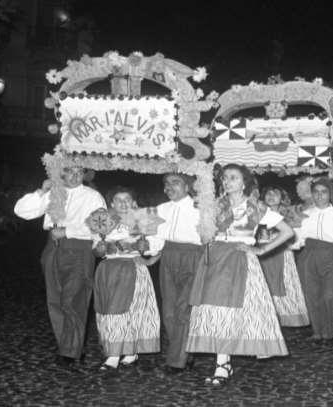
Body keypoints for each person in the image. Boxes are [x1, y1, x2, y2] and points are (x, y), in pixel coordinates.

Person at [186, 164, 292, 386]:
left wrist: (260, 250)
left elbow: (287, 232)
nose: (227, 181)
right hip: (214, 259)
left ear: (244, 182)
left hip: (239, 259)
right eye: (224, 178)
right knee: (214, 311)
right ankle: (222, 362)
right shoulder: (214, 205)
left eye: (233, 178)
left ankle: (223, 364)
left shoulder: (255, 206)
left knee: (233, 311)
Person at [13, 166, 106, 365]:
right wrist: (41, 191)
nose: (74, 176)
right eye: (69, 171)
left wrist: (69, 231)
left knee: (74, 300)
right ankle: (68, 345)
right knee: (54, 300)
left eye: (79, 172)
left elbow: (100, 226)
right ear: (60, 173)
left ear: (85, 174)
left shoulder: (93, 196)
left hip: (79, 248)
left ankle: (71, 350)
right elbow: (21, 211)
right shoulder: (53, 192)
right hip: (52, 248)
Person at [91, 187, 160, 370]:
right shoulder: (102, 220)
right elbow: (96, 250)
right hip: (109, 269)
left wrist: (148, 253)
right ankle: (113, 353)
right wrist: (103, 247)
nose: (123, 203)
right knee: (110, 310)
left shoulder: (142, 219)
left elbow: (156, 245)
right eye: (118, 199)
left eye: (127, 199)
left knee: (133, 311)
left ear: (133, 202)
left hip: (133, 269)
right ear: (111, 203)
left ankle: (130, 351)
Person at [147, 174, 203, 372]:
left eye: (175, 183)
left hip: (194, 257)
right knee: (169, 311)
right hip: (168, 257)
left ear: (187, 187)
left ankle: (177, 360)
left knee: (183, 309)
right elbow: (155, 238)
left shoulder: (201, 208)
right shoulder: (161, 209)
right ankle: (184, 349)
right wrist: (147, 248)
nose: (170, 187)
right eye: (166, 184)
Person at [294, 177, 333, 341]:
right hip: (309, 254)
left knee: (330, 295)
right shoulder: (305, 213)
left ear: (330, 193)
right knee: (311, 294)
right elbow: (298, 237)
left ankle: (329, 329)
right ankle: (317, 331)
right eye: (316, 192)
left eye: (324, 192)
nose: (319, 195)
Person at [257, 185, 309, 327]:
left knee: (284, 284)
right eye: (268, 193)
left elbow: (297, 238)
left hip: (282, 254)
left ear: (282, 198)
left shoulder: (290, 214)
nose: (271, 196)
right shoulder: (257, 212)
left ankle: (285, 318)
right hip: (261, 254)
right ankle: (266, 318)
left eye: (276, 193)